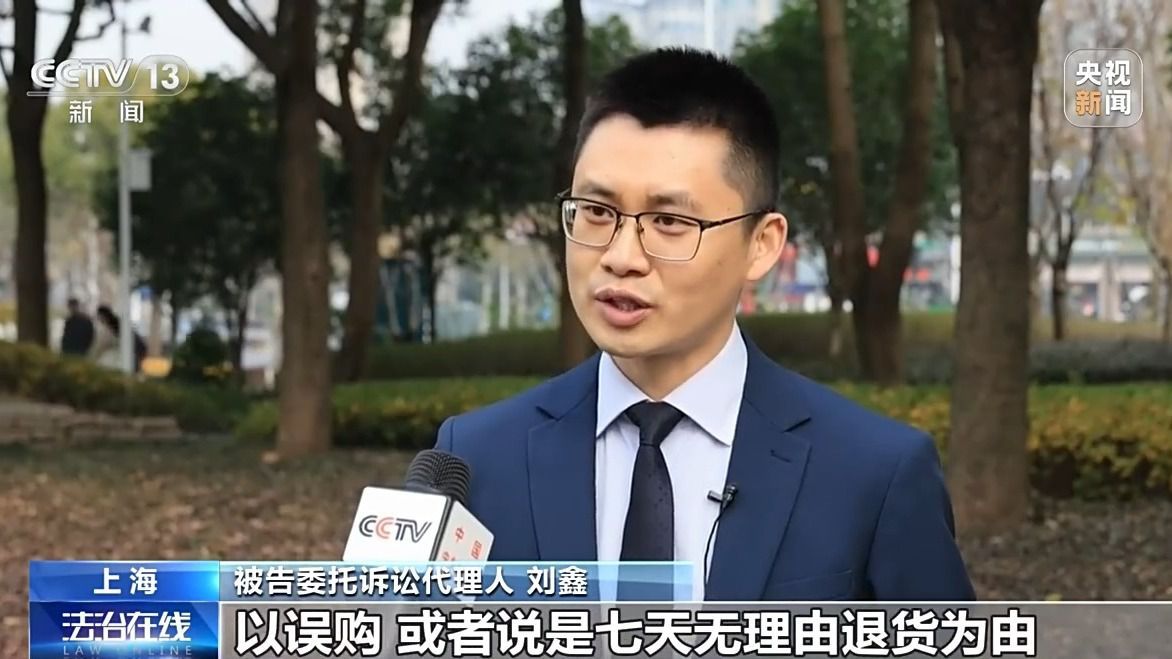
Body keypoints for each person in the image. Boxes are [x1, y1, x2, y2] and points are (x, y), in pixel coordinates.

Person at [433, 48, 975, 601]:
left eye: (670, 221)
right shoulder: (475, 459)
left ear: (761, 244)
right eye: (596, 212)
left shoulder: (875, 474)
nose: (621, 257)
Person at [92, 304, 147, 372]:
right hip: (132, 354)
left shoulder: (116, 326)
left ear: (104, 316)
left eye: (100, 317)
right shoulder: (114, 326)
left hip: (132, 355)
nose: (100, 320)